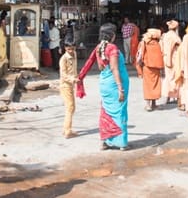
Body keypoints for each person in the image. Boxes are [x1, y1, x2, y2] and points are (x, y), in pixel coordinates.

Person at [77, 23, 130, 151]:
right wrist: (120, 88)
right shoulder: (112, 48)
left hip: (104, 84)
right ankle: (121, 143)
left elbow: (89, 63)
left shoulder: (99, 47)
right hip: (114, 84)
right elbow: (114, 68)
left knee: (106, 112)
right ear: (112, 35)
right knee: (119, 112)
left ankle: (105, 141)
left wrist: (80, 77)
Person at [136, 28, 164, 111]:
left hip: (147, 67)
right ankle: (154, 104)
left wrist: (139, 67)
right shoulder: (158, 44)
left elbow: (139, 56)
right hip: (157, 67)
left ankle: (148, 105)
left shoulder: (144, 43)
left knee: (148, 86)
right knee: (155, 85)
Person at [59, 41, 79, 139]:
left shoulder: (75, 54)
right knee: (70, 107)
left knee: (71, 107)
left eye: (72, 48)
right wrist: (72, 79)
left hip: (72, 85)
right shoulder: (63, 59)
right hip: (65, 85)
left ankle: (66, 128)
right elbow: (63, 74)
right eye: (68, 49)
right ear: (65, 49)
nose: (71, 51)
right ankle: (68, 131)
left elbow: (74, 70)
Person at [161, 20, 182, 108]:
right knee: (175, 77)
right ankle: (176, 96)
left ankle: (167, 97)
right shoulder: (175, 37)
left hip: (166, 58)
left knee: (168, 77)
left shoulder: (165, 36)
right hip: (174, 59)